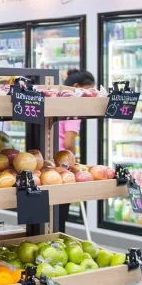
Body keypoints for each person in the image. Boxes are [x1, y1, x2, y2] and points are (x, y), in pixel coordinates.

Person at [56, 68, 95, 235]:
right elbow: (69, 142)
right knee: (61, 211)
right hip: (63, 164)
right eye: (89, 90)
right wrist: (75, 161)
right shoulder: (74, 109)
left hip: (48, 161)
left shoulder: (56, 101)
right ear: (77, 87)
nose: (91, 95)